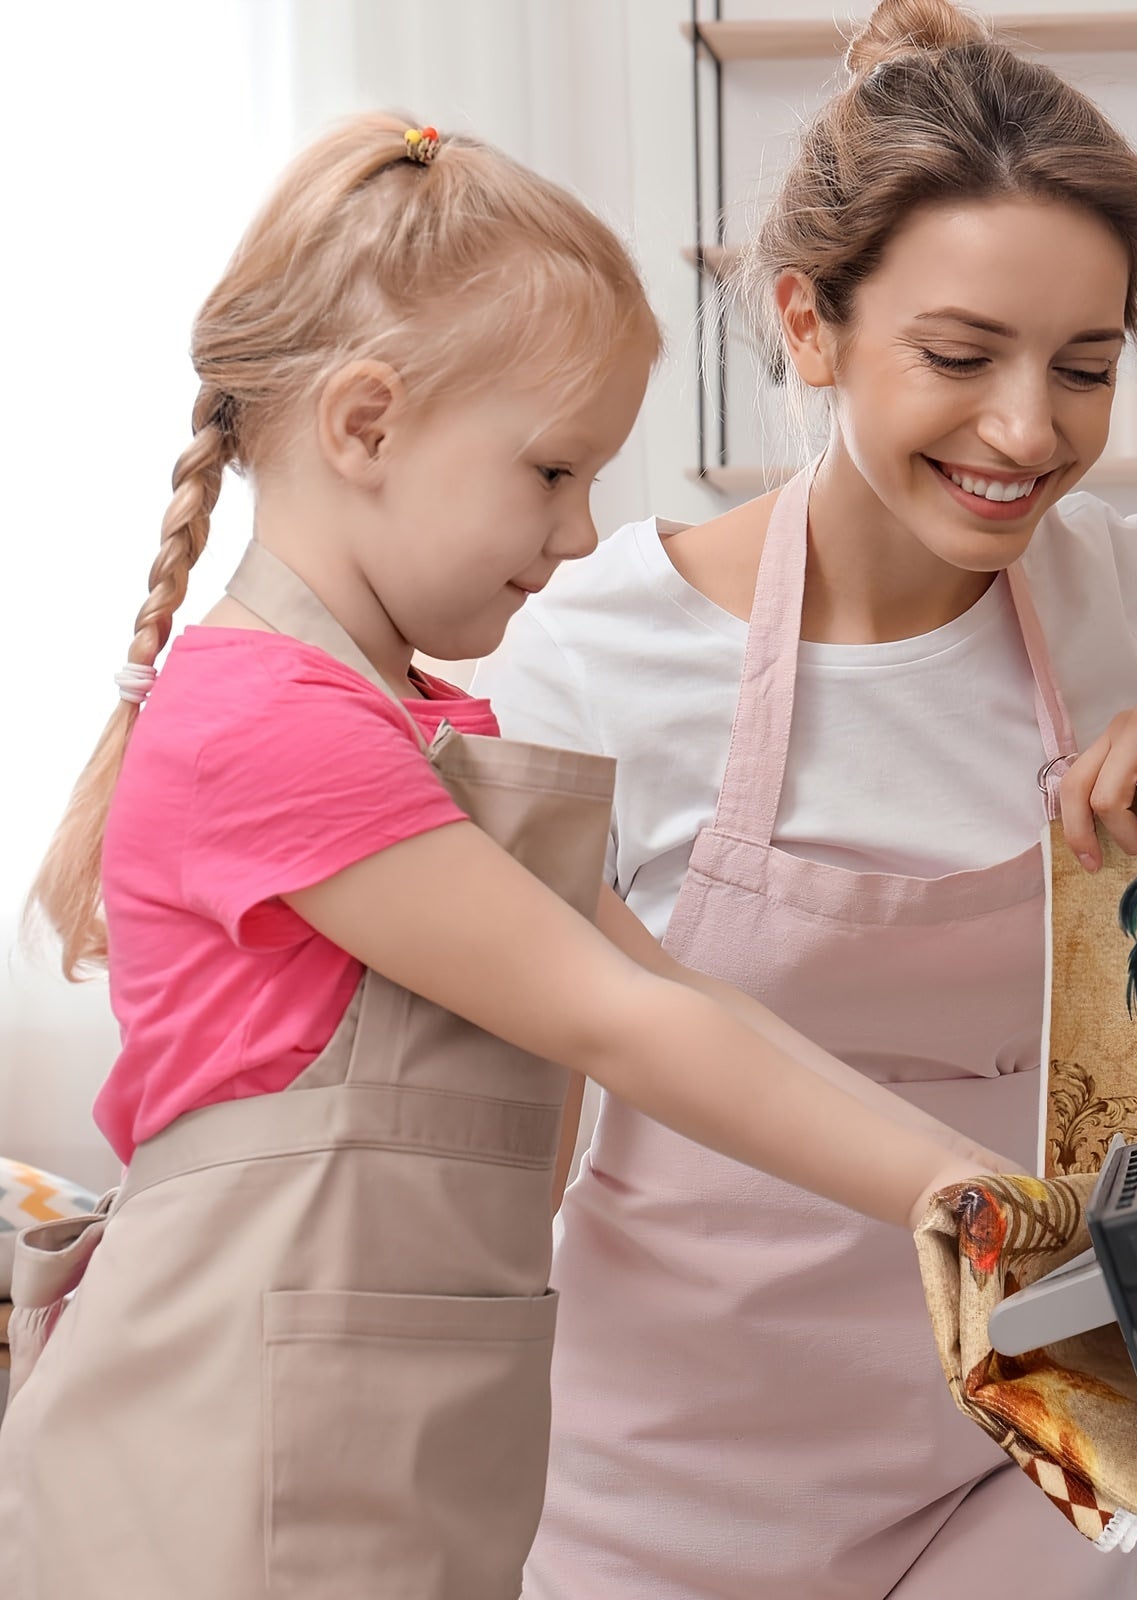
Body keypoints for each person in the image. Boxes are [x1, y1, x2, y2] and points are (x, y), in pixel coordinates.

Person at [475, 3, 1137, 1596]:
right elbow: (516, 1120)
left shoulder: (1135, 599)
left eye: (1086, 367)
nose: (1027, 431)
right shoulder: (590, 655)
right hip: (662, 1480)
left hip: (1044, 1441)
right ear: (809, 322)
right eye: (960, 357)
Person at [0, 113, 1003, 1600]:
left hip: (387, 1437)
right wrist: (965, 1206)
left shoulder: (416, 721)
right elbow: (616, 1021)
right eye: (549, 472)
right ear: (364, 425)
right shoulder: (265, 721)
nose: (582, 530)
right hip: (222, 1459)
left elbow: (680, 990)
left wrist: (987, 1181)